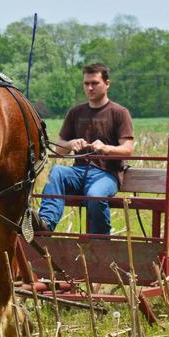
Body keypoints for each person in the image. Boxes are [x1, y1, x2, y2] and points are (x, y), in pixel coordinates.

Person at [36, 63, 134, 235]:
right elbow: (59, 150)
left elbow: (128, 149)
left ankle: (101, 243)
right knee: (57, 171)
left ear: (107, 83)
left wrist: (106, 148)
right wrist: (70, 144)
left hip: (106, 174)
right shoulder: (75, 112)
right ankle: (45, 225)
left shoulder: (119, 112)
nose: (89, 88)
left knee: (95, 196)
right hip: (78, 171)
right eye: (86, 83)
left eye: (94, 83)